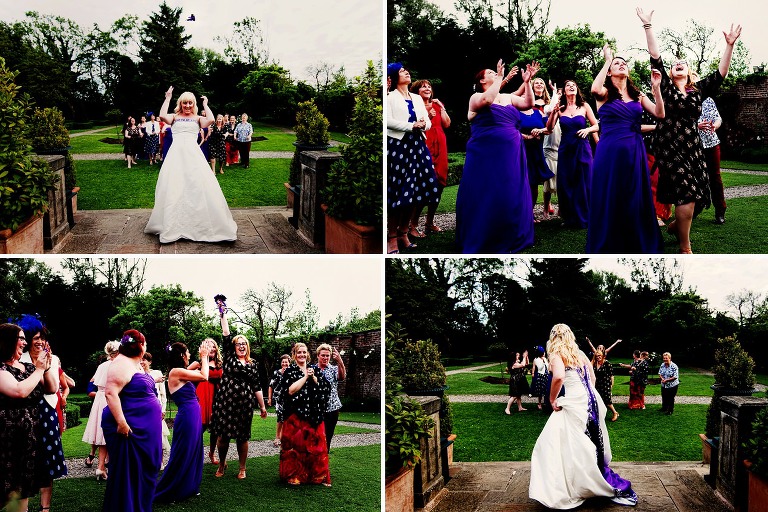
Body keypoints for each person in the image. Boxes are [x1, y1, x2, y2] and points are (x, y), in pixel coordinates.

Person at [637, 7, 741, 253]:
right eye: (675, 64)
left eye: (682, 64)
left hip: (693, 148)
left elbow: (721, 73)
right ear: (670, 73)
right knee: (686, 192)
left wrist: (729, 45)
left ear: (689, 72)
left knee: (697, 196)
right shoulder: (665, 88)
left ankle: (676, 226)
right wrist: (648, 26)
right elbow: (655, 57)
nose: (678, 65)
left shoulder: (699, 90)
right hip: (669, 147)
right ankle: (685, 247)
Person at [529, 323, 638, 508]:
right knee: (586, 438)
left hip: (574, 400)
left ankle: (572, 483)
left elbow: (558, 377)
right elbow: (592, 378)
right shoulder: (578, 354)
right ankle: (589, 474)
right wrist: (587, 393)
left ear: (553, 337)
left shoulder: (556, 354)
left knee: (555, 441)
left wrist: (552, 399)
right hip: (590, 398)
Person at [587, 44, 665, 253]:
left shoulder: (638, 95)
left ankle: (634, 237)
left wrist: (656, 90)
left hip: (634, 150)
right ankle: (610, 238)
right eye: (616, 63)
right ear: (609, 71)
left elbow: (660, 114)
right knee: (611, 193)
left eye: (624, 63)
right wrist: (607, 60)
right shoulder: (604, 93)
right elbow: (594, 89)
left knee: (633, 194)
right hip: (610, 152)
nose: (621, 65)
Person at [455, 59, 539, 253]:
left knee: (510, 189)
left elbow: (529, 103)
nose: (495, 73)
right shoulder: (476, 97)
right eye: (491, 73)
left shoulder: (508, 97)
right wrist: (501, 77)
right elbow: (487, 101)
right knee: (487, 190)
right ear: (482, 80)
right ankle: (484, 232)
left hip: (512, 151)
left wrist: (527, 82)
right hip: (486, 153)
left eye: (495, 72)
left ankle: (510, 232)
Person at [144, 87, 238, 243]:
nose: (187, 105)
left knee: (196, 186)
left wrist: (205, 104)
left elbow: (211, 120)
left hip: (193, 156)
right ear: (180, 103)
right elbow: (162, 116)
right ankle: (174, 223)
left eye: (190, 103)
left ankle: (197, 224)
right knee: (175, 187)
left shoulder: (198, 118)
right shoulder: (174, 117)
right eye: (185, 103)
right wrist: (168, 98)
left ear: (194, 104)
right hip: (176, 157)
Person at [101, 330, 162, 512]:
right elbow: (110, 393)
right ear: (141, 346)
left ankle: (139, 506)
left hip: (144, 428)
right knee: (129, 471)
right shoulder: (121, 363)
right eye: (145, 343)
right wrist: (121, 422)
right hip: (130, 429)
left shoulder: (134, 364)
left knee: (144, 468)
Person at [15, 315, 68, 511]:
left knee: (47, 463)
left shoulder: (52, 359)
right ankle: (23, 507)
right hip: (24, 413)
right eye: (36, 338)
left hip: (46, 412)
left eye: (42, 338)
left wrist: (44, 366)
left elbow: (52, 388)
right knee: (24, 462)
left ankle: (45, 508)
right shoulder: (18, 358)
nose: (40, 341)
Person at [386, 63, 440, 254]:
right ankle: (391, 237)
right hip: (399, 147)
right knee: (399, 192)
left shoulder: (416, 98)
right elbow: (387, 121)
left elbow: (428, 121)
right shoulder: (390, 97)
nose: (406, 72)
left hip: (418, 146)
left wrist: (424, 124)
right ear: (394, 77)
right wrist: (411, 126)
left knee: (415, 192)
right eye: (402, 71)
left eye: (406, 70)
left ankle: (403, 232)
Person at [0, 322, 54, 512]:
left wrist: (46, 367)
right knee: (6, 487)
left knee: (22, 488)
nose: (25, 342)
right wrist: (39, 369)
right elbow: (19, 391)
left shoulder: (29, 367)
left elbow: (51, 388)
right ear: (8, 341)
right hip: (7, 440)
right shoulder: (1, 369)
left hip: (29, 439)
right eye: (21, 338)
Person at [209, 308, 268, 480]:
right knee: (223, 437)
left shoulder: (253, 364)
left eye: (244, 344)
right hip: (225, 402)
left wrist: (263, 407)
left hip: (244, 405)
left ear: (248, 347)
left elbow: (257, 386)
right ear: (233, 347)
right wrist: (223, 314)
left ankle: (242, 468)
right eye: (238, 344)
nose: (241, 346)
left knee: (242, 437)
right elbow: (226, 334)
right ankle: (222, 464)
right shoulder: (229, 357)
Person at [155, 341, 211, 503]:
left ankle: (189, 486)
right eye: (187, 352)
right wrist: (204, 357)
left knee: (193, 449)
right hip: (187, 415)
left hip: (193, 414)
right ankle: (171, 489)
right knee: (183, 451)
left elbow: (195, 367)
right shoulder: (175, 372)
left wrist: (201, 360)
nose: (189, 354)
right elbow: (204, 376)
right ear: (181, 355)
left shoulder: (180, 371)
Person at [546, 79, 599, 228]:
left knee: (584, 181)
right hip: (566, 149)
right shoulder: (560, 108)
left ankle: (587, 215)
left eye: (573, 85)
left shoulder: (584, 106)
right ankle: (569, 217)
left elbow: (596, 125)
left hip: (582, 147)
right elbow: (549, 128)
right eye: (568, 85)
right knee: (567, 182)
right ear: (564, 91)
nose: (571, 87)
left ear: (577, 90)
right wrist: (553, 112)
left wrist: (587, 130)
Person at [279, 342, 332, 487]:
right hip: (296, 415)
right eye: (299, 352)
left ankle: (317, 476)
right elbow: (290, 391)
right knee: (297, 447)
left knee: (316, 448)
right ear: (294, 355)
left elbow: (325, 388)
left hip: (314, 415)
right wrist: (305, 377)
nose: (302, 355)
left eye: (304, 352)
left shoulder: (315, 369)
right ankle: (295, 475)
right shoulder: (290, 371)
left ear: (307, 354)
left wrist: (313, 377)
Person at [408, 79, 451, 236]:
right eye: (423, 87)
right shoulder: (415, 106)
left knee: (440, 183)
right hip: (424, 144)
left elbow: (447, 124)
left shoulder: (437, 105)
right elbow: (414, 126)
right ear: (416, 91)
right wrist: (427, 115)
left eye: (429, 86)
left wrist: (442, 107)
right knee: (424, 184)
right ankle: (412, 224)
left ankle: (429, 222)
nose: (427, 88)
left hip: (441, 145)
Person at [82, 340, 121, 479]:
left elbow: (93, 382)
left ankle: (101, 466)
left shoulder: (102, 366)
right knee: (108, 433)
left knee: (102, 432)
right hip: (109, 397)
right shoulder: (116, 366)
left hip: (99, 398)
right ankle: (102, 466)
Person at [189, 338, 223, 464]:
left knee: (215, 430)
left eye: (213, 346)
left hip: (217, 397)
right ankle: (193, 453)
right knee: (199, 428)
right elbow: (183, 375)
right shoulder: (198, 364)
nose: (212, 349)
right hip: (202, 396)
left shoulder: (221, 364)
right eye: (208, 346)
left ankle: (212, 453)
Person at [698, 97, 726, 224]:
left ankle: (720, 211)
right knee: (695, 177)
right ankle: (696, 206)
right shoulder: (684, 99)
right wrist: (697, 126)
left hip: (712, 143)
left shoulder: (708, 100)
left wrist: (715, 125)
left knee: (715, 177)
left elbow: (718, 118)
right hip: (694, 144)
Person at [314, 343, 347, 451]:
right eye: (323, 355)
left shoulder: (333, 369)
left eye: (327, 355)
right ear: (318, 355)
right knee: (315, 435)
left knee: (327, 436)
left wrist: (340, 361)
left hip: (332, 409)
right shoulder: (312, 369)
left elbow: (342, 377)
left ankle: (324, 456)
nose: (325, 358)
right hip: (316, 409)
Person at [140, 352, 170, 466]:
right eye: (140, 359)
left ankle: (160, 461)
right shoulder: (137, 374)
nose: (142, 362)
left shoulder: (157, 373)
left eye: (144, 360)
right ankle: (146, 461)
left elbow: (163, 394)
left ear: (150, 362)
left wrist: (163, 409)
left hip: (156, 409)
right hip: (143, 409)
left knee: (159, 435)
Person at [268, 354, 291, 447]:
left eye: (286, 362)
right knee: (280, 417)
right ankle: (277, 437)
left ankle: (284, 437)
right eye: (283, 362)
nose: (284, 364)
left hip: (289, 399)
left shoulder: (292, 373)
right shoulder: (276, 373)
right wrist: (269, 398)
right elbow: (271, 386)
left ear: (289, 363)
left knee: (287, 418)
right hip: (278, 399)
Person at [592, 347, 619, 422]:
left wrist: (611, 385)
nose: (598, 357)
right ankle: (599, 415)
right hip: (598, 384)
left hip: (606, 384)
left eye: (599, 355)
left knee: (607, 401)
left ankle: (615, 413)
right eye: (596, 356)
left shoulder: (607, 363)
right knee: (598, 400)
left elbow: (611, 376)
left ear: (603, 356)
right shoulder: (595, 363)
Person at [529, 346, 548, 410]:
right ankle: (539, 403)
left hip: (546, 375)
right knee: (540, 391)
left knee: (546, 389)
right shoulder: (536, 359)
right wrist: (543, 362)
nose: (544, 353)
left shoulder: (545, 358)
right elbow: (540, 368)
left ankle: (546, 402)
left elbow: (547, 366)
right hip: (541, 375)